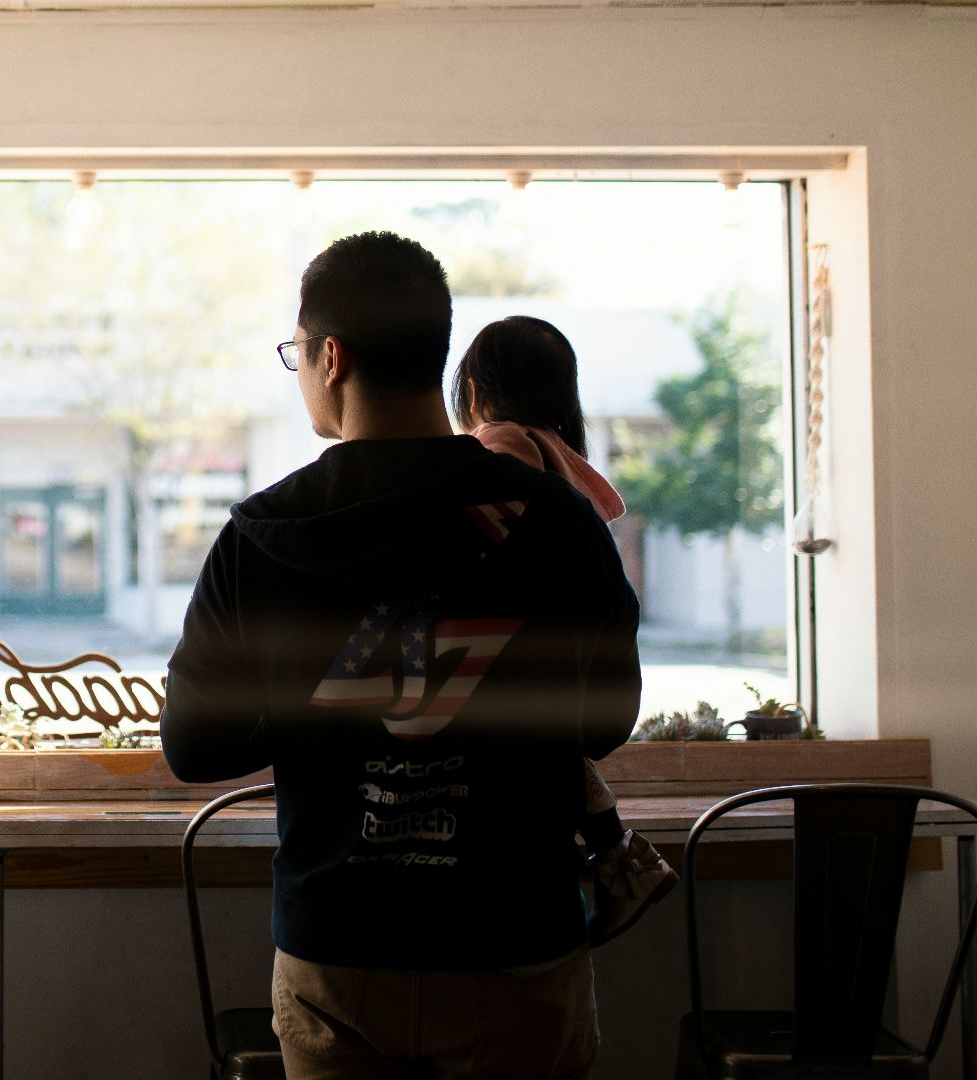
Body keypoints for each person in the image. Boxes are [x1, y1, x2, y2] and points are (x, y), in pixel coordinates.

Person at [161, 232, 641, 1079]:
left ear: (332, 357)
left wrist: (320, 699)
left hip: (340, 953)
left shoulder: (264, 535)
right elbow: (606, 723)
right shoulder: (555, 517)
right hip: (517, 945)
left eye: (297, 354)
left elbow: (194, 746)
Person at [454, 314, 678, 947]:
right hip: (562, 663)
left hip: (516, 652)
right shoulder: (555, 451)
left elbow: (485, 534)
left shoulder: (499, 447)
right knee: (564, 759)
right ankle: (626, 863)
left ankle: (626, 864)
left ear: (473, 390)